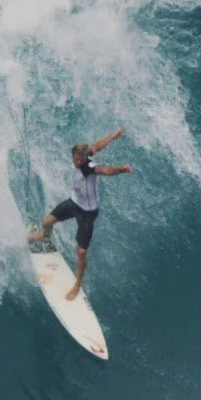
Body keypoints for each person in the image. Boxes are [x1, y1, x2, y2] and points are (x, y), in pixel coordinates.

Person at [31, 127, 132, 300]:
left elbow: (105, 171)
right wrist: (114, 135)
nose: (77, 162)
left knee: (81, 252)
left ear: (85, 158)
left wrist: (122, 169)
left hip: (87, 213)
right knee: (47, 221)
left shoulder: (89, 167)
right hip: (74, 203)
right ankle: (45, 237)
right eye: (75, 159)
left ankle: (77, 284)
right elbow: (99, 145)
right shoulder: (84, 155)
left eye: (80, 160)